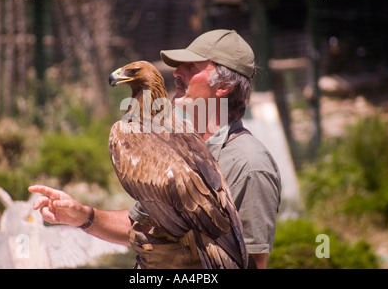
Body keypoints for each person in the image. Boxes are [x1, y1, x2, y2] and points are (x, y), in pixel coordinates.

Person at [29, 29, 281, 269]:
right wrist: (83, 216)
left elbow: (250, 261)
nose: (176, 72)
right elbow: (140, 223)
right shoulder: (177, 143)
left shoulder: (249, 164)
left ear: (223, 85)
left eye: (191, 67)